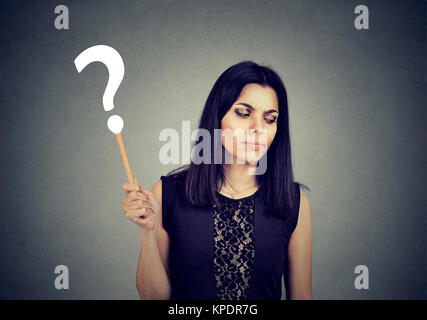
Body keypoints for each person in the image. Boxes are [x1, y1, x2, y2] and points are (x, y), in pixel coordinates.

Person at [122, 61, 313, 300]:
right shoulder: (167, 194)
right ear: (217, 118)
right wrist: (147, 232)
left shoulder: (295, 203)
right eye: (244, 113)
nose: (258, 128)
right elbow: (153, 298)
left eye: (270, 118)